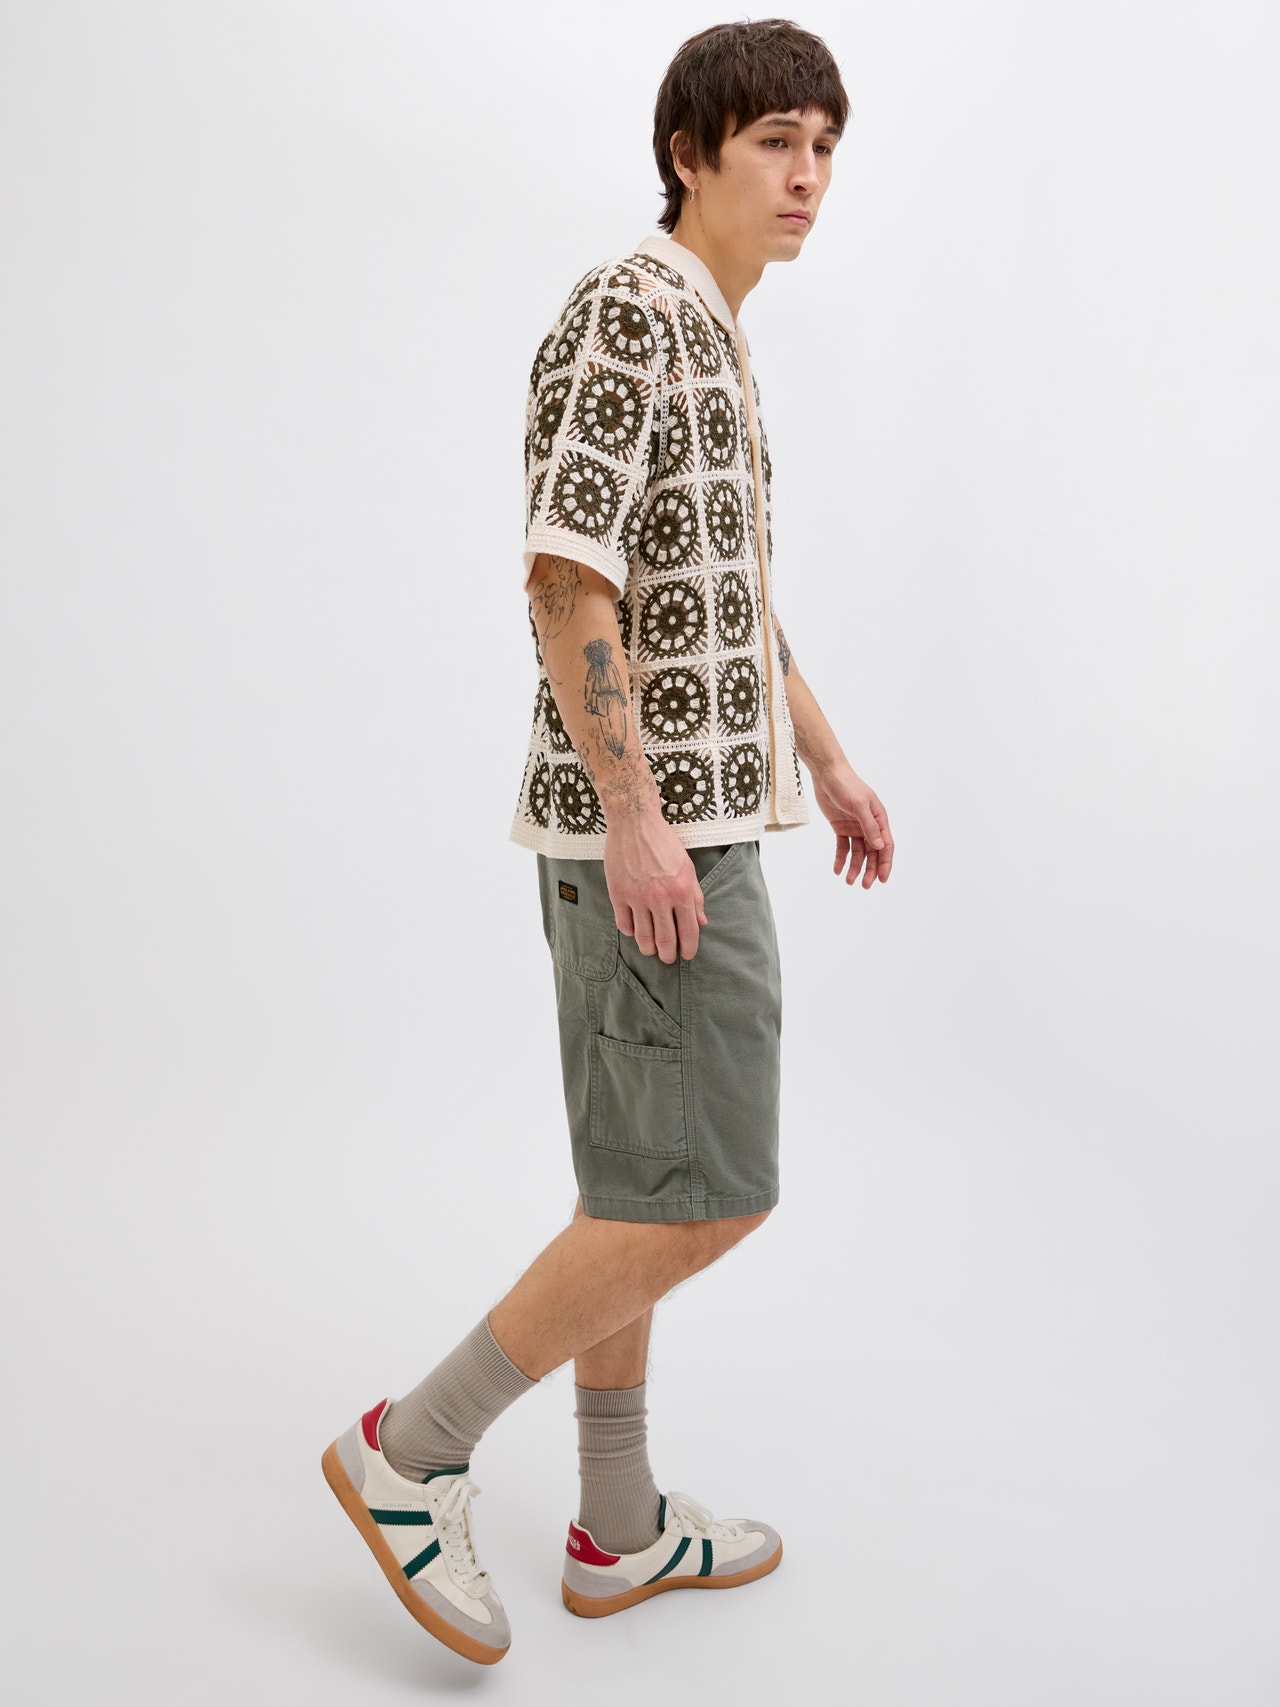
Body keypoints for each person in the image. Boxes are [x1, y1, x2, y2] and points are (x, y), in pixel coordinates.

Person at [321, 18, 893, 1667]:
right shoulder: (625, 314)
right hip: (652, 840)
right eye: (777, 141)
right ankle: (413, 1449)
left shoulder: (717, 331)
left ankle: (619, 1524)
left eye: (826, 146)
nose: (810, 175)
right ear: (689, 155)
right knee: (707, 1195)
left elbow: (722, 594)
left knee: (640, 1182)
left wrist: (827, 758)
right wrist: (637, 820)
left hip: (702, 818)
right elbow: (567, 578)